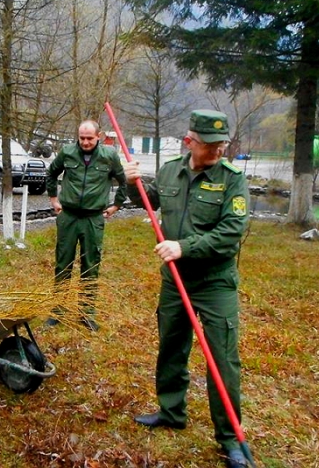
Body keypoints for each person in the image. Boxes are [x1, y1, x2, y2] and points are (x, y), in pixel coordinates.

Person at [124, 110, 251, 468]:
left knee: (222, 359)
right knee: (171, 346)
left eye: (221, 145)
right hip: (174, 282)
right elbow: (144, 202)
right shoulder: (170, 171)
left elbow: (230, 234)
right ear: (189, 142)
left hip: (214, 283)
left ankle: (230, 439)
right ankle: (171, 411)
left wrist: (184, 246)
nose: (217, 152)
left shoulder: (231, 180)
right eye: (210, 146)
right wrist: (130, 182)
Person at [45, 120, 127, 331]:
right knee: (63, 263)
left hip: (93, 218)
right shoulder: (68, 152)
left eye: (89, 138)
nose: (85, 142)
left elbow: (123, 180)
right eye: (82, 138)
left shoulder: (109, 156)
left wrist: (116, 205)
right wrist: (54, 199)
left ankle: (86, 312)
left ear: (98, 136)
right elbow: (51, 172)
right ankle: (58, 311)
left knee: (90, 265)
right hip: (69, 217)